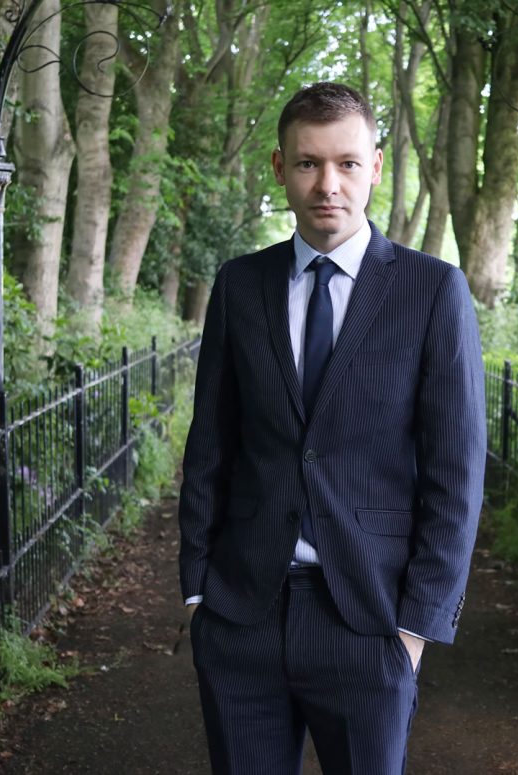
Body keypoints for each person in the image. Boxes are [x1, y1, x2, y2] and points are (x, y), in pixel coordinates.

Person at [178, 81, 486, 775]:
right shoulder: (240, 285)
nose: (328, 184)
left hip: (368, 620)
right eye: (308, 163)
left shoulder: (432, 291)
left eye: (347, 163)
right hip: (242, 616)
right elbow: (211, 445)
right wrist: (197, 591)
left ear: (376, 165)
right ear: (278, 167)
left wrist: (414, 627)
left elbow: (456, 472)